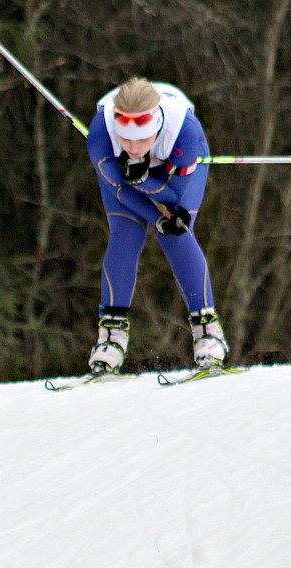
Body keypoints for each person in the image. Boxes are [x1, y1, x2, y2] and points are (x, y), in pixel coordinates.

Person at [84, 77, 229, 373]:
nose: (134, 148)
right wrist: (156, 216)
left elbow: (173, 196)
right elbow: (121, 191)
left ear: (155, 129)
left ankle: (208, 333)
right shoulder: (101, 133)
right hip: (123, 177)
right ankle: (111, 337)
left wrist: (146, 181)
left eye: (142, 140)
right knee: (126, 234)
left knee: (176, 235)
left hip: (173, 169)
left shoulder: (184, 131)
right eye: (126, 140)